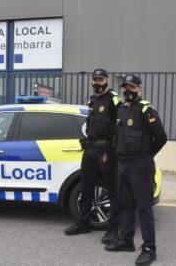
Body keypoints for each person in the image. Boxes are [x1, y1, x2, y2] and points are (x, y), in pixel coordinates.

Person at [105, 75, 167, 266]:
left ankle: (149, 249)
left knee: (144, 207)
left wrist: (146, 155)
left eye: (131, 87)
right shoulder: (122, 111)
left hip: (140, 165)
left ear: (139, 89)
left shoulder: (146, 110)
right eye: (125, 87)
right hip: (123, 164)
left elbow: (162, 138)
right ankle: (126, 240)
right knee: (126, 204)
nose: (127, 91)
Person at [64, 69, 122, 245]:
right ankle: (83, 223)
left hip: (106, 151)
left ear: (107, 81)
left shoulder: (114, 99)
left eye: (100, 79)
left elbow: (120, 127)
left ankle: (113, 230)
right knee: (86, 186)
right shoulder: (92, 100)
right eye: (95, 80)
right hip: (90, 149)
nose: (97, 82)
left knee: (112, 190)